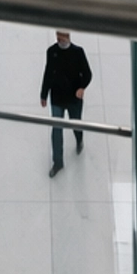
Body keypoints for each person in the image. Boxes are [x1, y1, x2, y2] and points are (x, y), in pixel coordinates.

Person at [41, 31, 92, 177]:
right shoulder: (52, 52)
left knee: (75, 123)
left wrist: (82, 87)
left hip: (73, 98)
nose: (59, 39)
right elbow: (48, 73)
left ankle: (79, 139)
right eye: (58, 36)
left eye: (62, 36)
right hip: (57, 97)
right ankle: (58, 162)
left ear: (68, 36)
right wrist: (44, 94)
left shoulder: (78, 52)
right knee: (56, 130)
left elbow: (88, 73)